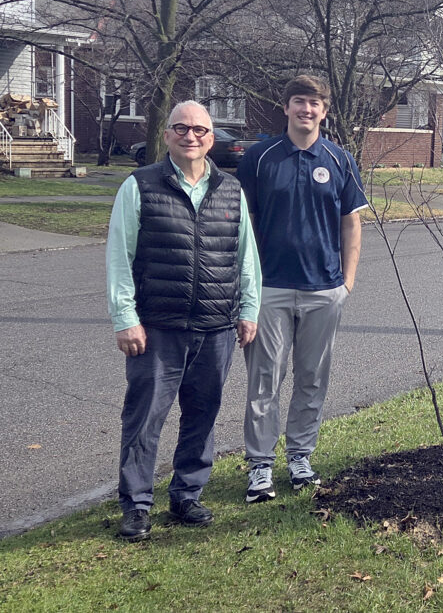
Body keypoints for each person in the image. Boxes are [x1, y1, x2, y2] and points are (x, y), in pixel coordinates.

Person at [106, 101, 261, 541]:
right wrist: (125, 318)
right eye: (181, 128)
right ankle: (136, 504)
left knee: (202, 415)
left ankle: (187, 494)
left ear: (211, 138)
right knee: (144, 418)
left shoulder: (230, 189)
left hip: (216, 326)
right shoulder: (140, 185)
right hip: (158, 326)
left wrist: (248, 310)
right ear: (167, 135)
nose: (190, 136)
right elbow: (120, 257)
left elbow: (245, 257)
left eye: (199, 130)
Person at [236, 75, 369, 503]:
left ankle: (300, 458)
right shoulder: (259, 158)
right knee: (264, 380)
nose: (306, 109)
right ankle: (260, 465)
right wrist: (247, 285)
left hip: (323, 290)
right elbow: (243, 224)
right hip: (270, 288)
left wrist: (347, 281)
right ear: (286, 107)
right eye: (299, 101)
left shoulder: (340, 159)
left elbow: (351, 223)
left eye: (314, 103)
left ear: (324, 111)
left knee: (312, 378)